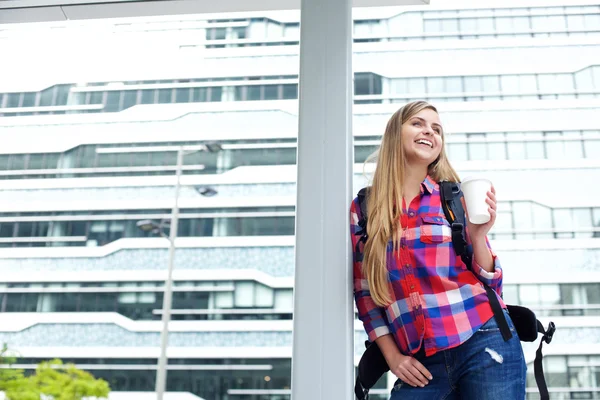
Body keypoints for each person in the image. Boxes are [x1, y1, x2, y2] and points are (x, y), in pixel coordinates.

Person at [350, 100, 526, 400]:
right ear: (396, 133)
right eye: (418, 123)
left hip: (484, 339)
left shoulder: (452, 198)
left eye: (437, 129)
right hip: (420, 360)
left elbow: (492, 283)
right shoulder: (365, 209)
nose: (429, 132)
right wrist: (393, 358)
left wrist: (478, 236)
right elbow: (366, 294)